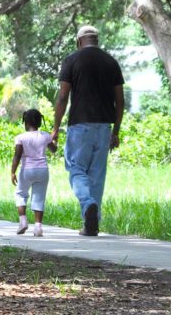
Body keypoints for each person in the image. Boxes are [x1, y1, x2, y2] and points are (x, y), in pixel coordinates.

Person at [51, 25, 124, 237]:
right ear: (96, 40)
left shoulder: (72, 60)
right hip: (104, 127)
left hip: (80, 126)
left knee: (76, 169)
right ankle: (92, 223)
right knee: (97, 176)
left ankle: (87, 203)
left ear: (79, 41)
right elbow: (120, 101)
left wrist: (55, 128)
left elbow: (63, 97)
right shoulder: (111, 62)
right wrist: (116, 131)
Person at [10, 108, 57, 237]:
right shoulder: (45, 136)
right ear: (39, 122)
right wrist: (54, 139)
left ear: (25, 122)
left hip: (27, 170)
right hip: (42, 170)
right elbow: (54, 149)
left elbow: (17, 156)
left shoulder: (20, 137)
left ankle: (23, 221)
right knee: (39, 197)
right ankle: (38, 228)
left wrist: (13, 172)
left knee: (21, 194)